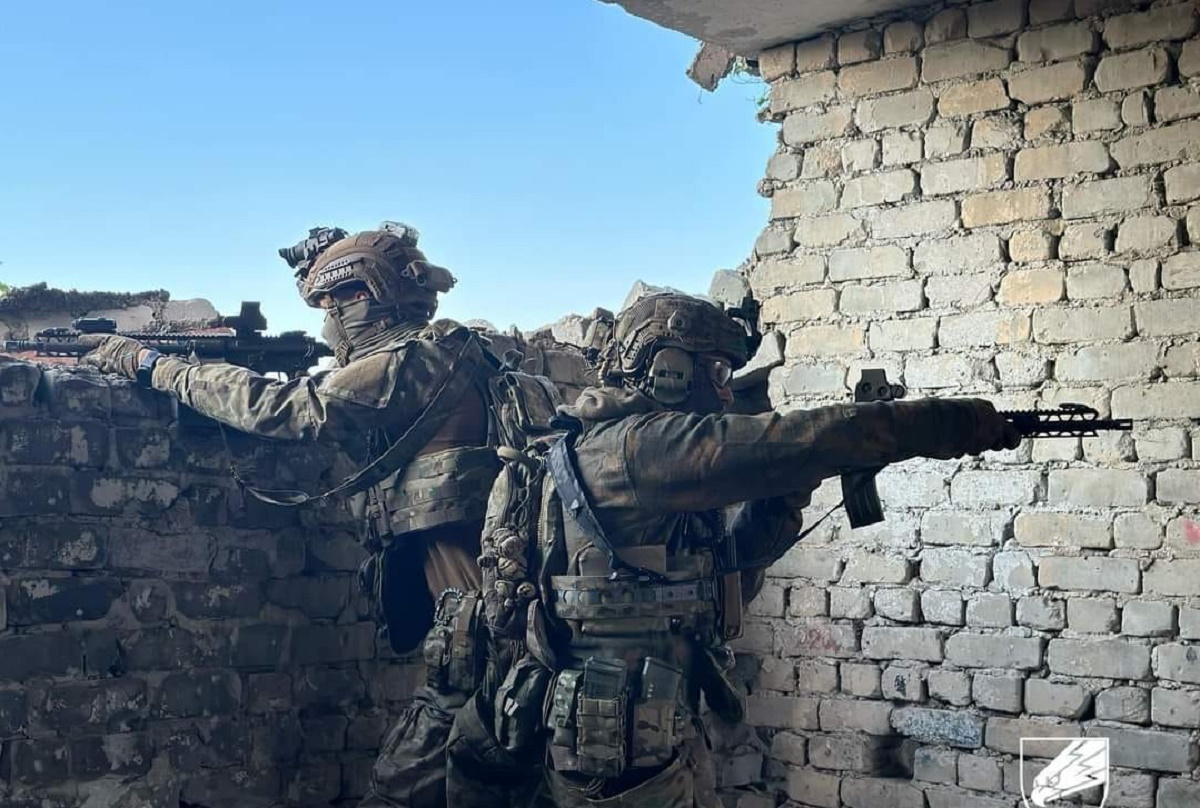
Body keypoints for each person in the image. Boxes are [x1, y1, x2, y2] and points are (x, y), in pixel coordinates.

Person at [452, 292, 1022, 808]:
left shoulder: (617, 448)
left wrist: (788, 489)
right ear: (669, 368)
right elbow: (801, 439)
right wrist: (960, 424)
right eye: (718, 370)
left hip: (645, 723)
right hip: (615, 738)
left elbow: (728, 568)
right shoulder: (639, 448)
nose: (726, 390)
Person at [81, 225, 527, 808]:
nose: (327, 323)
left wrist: (154, 366)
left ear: (364, 297)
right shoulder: (471, 355)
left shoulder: (412, 362)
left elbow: (288, 409)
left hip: (482, 636)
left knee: (400, 790)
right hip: (508, 622)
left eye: (332, 303)